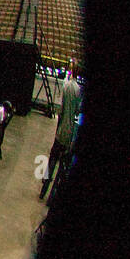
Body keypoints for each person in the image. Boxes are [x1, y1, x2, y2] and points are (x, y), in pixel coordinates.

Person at [41, 61, 81, 199]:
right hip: (70, 132)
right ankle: (52, 194)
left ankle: (44, 184)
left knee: (53, 156)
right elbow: (76, 111)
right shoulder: (78, 89)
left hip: (62, 129)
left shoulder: (66, 86)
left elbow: (62, 110)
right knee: (62, 164)